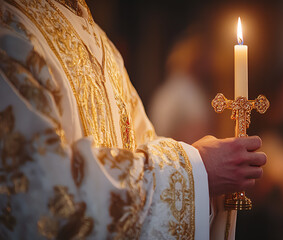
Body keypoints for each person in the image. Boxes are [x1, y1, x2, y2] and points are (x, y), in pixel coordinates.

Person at [0, 0, 266, 239]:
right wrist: (196, 170)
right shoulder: (12, 26)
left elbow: (143, 143)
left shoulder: (99, 40)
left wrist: (201, 173)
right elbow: (36, 191)